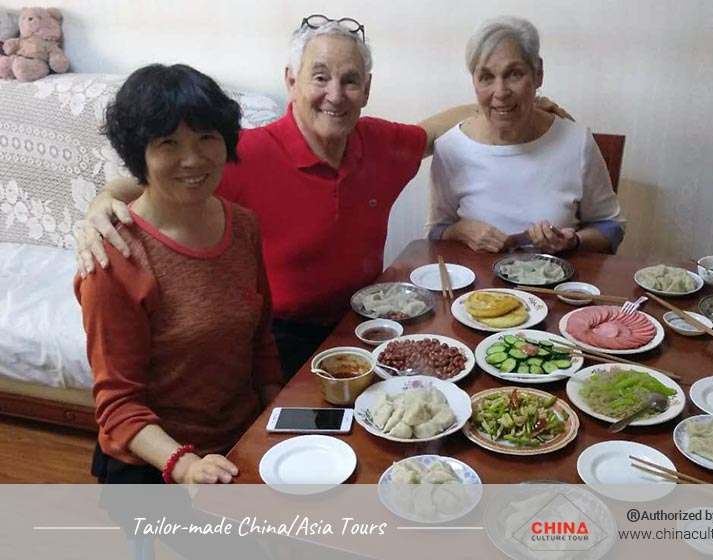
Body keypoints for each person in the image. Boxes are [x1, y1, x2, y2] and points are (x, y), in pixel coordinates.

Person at [75, 15, 569, 379]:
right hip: (281, 340)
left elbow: (436, 130)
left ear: (367, 89)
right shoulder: (242, 154)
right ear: (291, 81)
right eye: (320, 77)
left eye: (350, 80)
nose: (336, 93)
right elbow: (154, 183)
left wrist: (508, 104)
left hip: (370, 320)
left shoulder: (380, 143)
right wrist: (102, 202)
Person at [75, 63, 283, 484]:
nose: (193, 159)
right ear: (140, 155)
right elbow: (118, 406)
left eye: (207, 137)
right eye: (168, 142)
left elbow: (259, 339)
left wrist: (279, 420)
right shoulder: (114, 258)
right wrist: (187, 466)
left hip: (240, 439)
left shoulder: (242, 225)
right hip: (157, 464)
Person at [426, 16, 624, 255]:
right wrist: (459, 230)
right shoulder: (451, 148)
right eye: (487, 77)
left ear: (538, 73)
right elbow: (436, 232)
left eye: (514, 74)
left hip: (553, 287)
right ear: (474, 82)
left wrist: (573, 242)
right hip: (478, 290)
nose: (501, 92)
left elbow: (611, 227)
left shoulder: (577, 142)